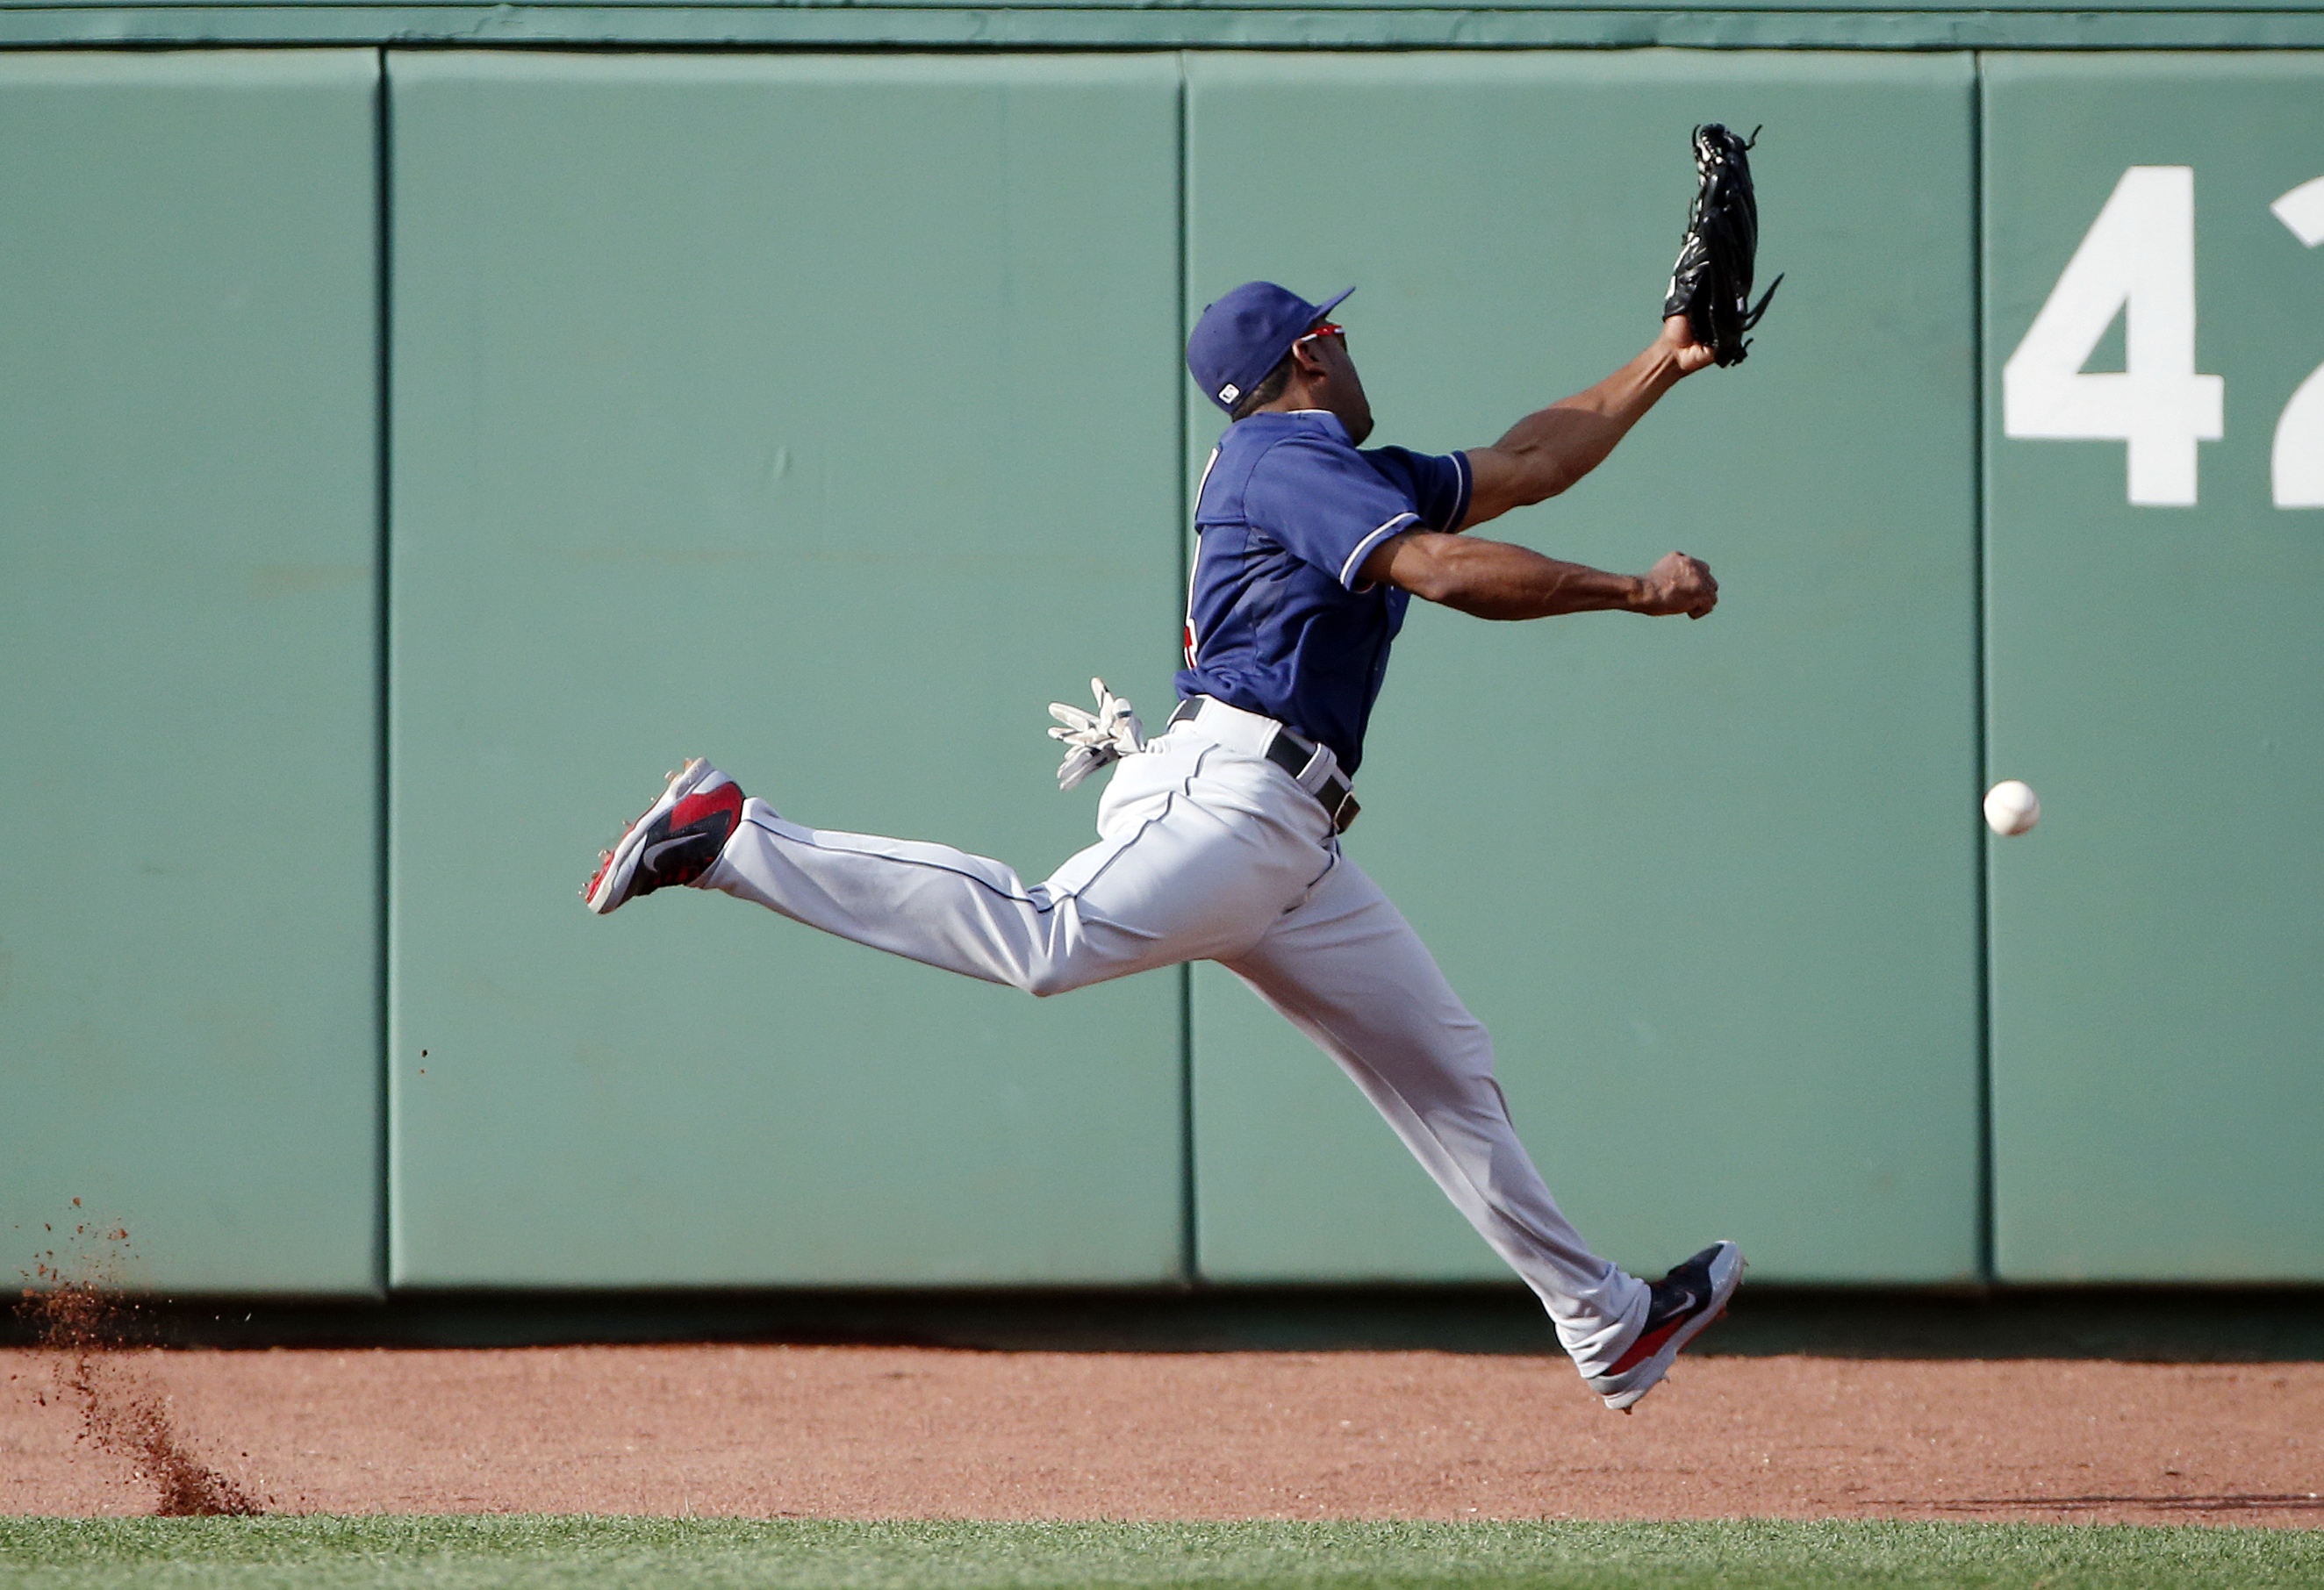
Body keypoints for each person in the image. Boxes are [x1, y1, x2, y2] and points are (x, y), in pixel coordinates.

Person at [584, 281, 1742, 1411]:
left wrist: (1665, 356)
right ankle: (730, 836)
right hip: (1232, 804)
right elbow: (1439, 571)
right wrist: (1632, 591)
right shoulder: (1283, 461)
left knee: (1445, 1067)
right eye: (1341, 334)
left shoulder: (1343, 473)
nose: (1354, 354)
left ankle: (1608, 1321)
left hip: (1286, 844)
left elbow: (1535, 460)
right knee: (1046, 938)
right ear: (1311, 356)